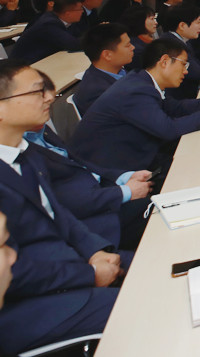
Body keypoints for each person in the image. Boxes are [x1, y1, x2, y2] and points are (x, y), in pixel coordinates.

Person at [0, 60, 126, 354]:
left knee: (155, 268)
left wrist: (95, 251)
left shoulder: (26, 152)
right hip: (28, 307)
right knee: (144, 303)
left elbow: (60, 216)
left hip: (67, 266)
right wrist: (89, 274)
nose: (49, 97)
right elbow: (13, 271)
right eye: (37, 92)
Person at [70, 37, 200, 173]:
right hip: (116, 170)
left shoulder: (142, 80)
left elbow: (175, 108)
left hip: (136, 156)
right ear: (164, 61)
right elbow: (168, 129)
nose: (186, 71)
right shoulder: (136, 91)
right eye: (183, 65)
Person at [26, 71, 152, 250]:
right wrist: (124, 192)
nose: (49, 98)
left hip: (102, 195)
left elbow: (80, 164)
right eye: (37, 93)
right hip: (95, 225)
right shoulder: (18, 153)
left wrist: (123, 177)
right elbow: (63, 201)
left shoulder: (40, 130)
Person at [76, 24, 136, 119]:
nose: (133, 47)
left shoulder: (120, 71)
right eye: (127, 45)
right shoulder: (98, 92)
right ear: (107, 55)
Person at [10, 0, 84, 63]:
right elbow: (73, 44)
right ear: (68, 13)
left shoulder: (61, 19)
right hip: (27, 63)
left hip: (46, 58)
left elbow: (77, 36)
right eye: (80, 8)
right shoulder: (49, 23)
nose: (82, 11)